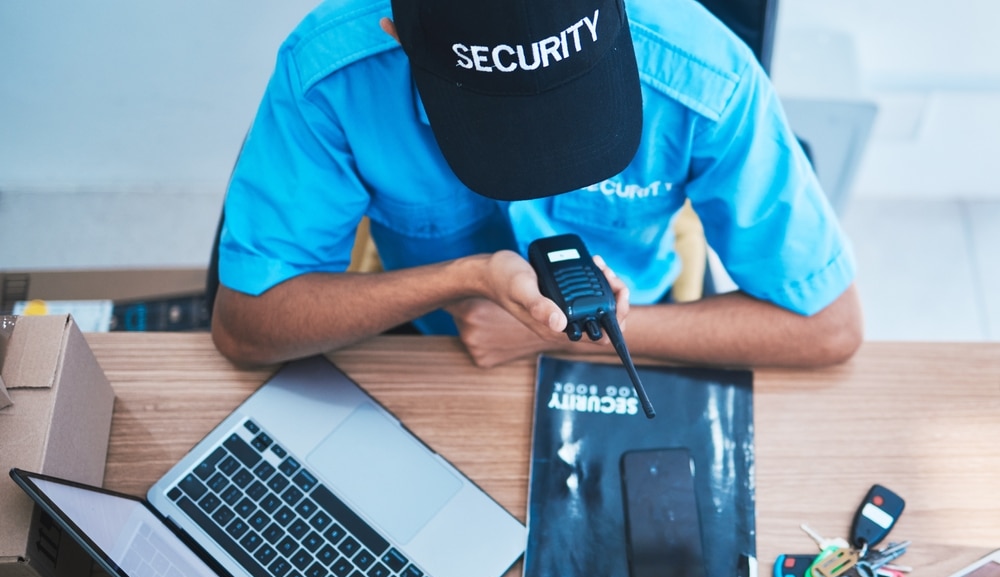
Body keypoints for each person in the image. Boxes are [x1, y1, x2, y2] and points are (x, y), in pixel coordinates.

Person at [211, 0, 863, 370]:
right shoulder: (332, 72)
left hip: (641, 335)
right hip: (427, 349)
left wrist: (581, 333)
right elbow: (244, 329)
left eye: (566, 102)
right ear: (397, 32)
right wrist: (464, 278)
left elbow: (831, 326)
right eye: (492, 111)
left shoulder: (706, 78)